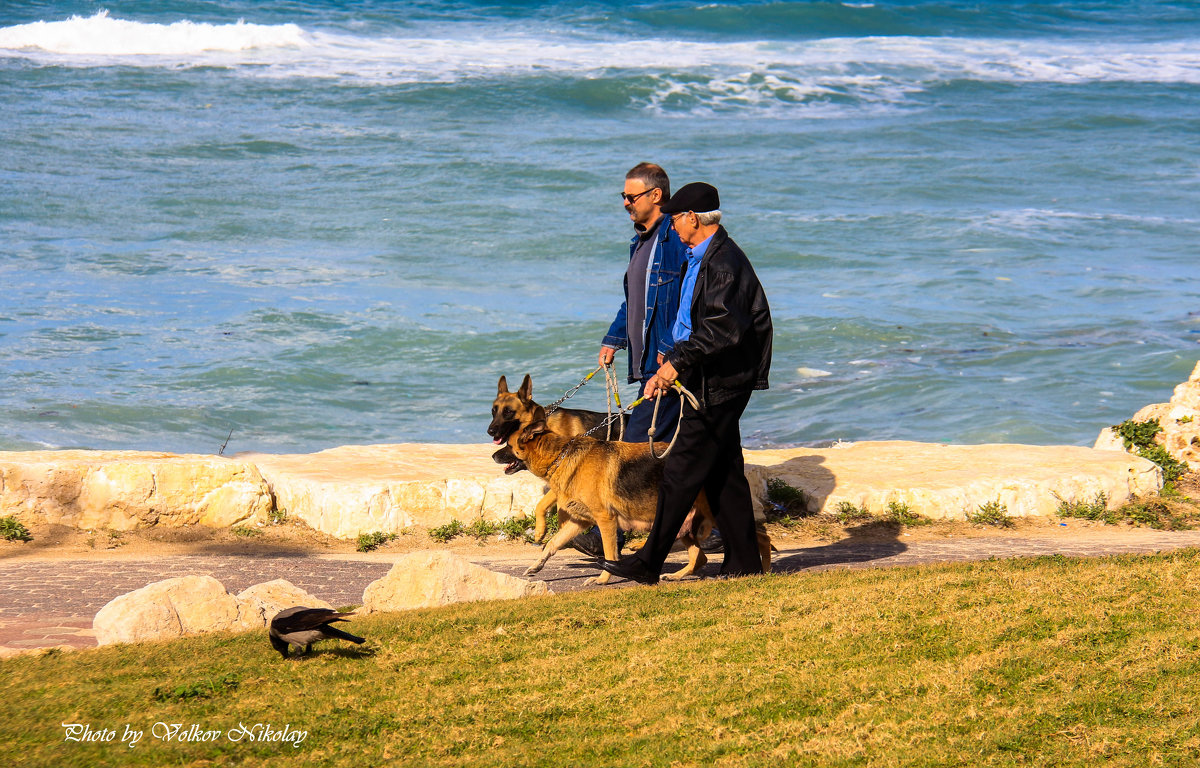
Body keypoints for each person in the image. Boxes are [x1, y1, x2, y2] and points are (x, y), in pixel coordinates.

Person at [601, 182, 772, 584]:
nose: (673, 226)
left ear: (692, 218)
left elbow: (720, 331)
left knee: (679, 472)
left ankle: (648, 563)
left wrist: (675, 363)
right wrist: (671, 352)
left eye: (676, 218)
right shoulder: (701, 256)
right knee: (722, 472)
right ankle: (744, 561)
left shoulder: (724, 263)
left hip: (718, 383)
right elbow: (692, 318)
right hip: (707, 378)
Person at [567, 163, 690, 559]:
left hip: (668, 369)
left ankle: (614, 540)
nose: (625, 203)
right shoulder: (641, 242)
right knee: (676, 449)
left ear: (656, 195)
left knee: (633, 449)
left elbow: (688, 301)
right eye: (622, 196)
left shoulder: (674, 238)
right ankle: (705, 528)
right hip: (649, 369)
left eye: (631, 196)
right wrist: (614, 339)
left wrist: (670, 350)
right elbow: (634, 300)